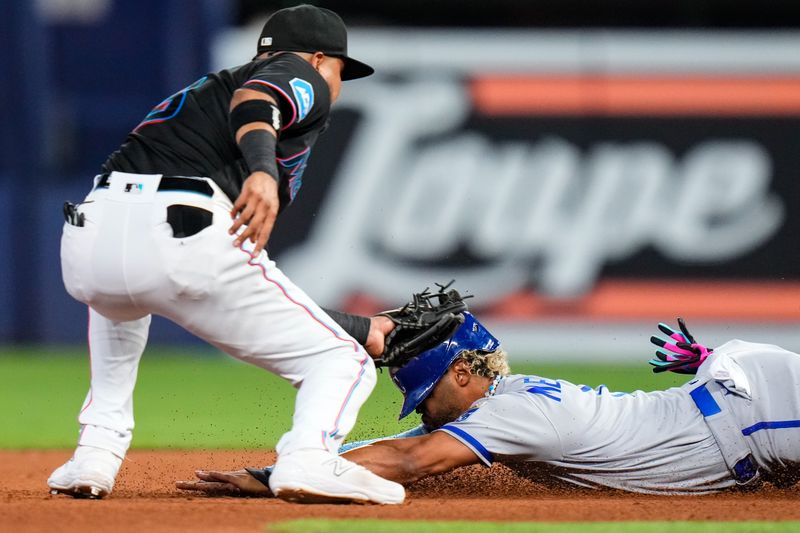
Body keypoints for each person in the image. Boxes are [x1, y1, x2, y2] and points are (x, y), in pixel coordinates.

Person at [48, 4, 406, 505]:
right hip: (180, 227)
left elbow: (242, 296)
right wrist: (261, 170)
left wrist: (359, 326)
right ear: (320, 58)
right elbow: (259, 99)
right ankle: (307, 459)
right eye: (342, 70)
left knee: (121, 310)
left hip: (90, 234)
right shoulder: (300, 74)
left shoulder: (198, 94)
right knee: (340, 360)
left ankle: (94, 456)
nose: (338, 83)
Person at [178, 314, 800, 496]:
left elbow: (410, 459)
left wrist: (276, 474)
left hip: (758, 417)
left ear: (463, 372)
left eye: (427, 397)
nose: (425, 412)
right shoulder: (513, 398)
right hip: (740, 408)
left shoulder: (510, 413)